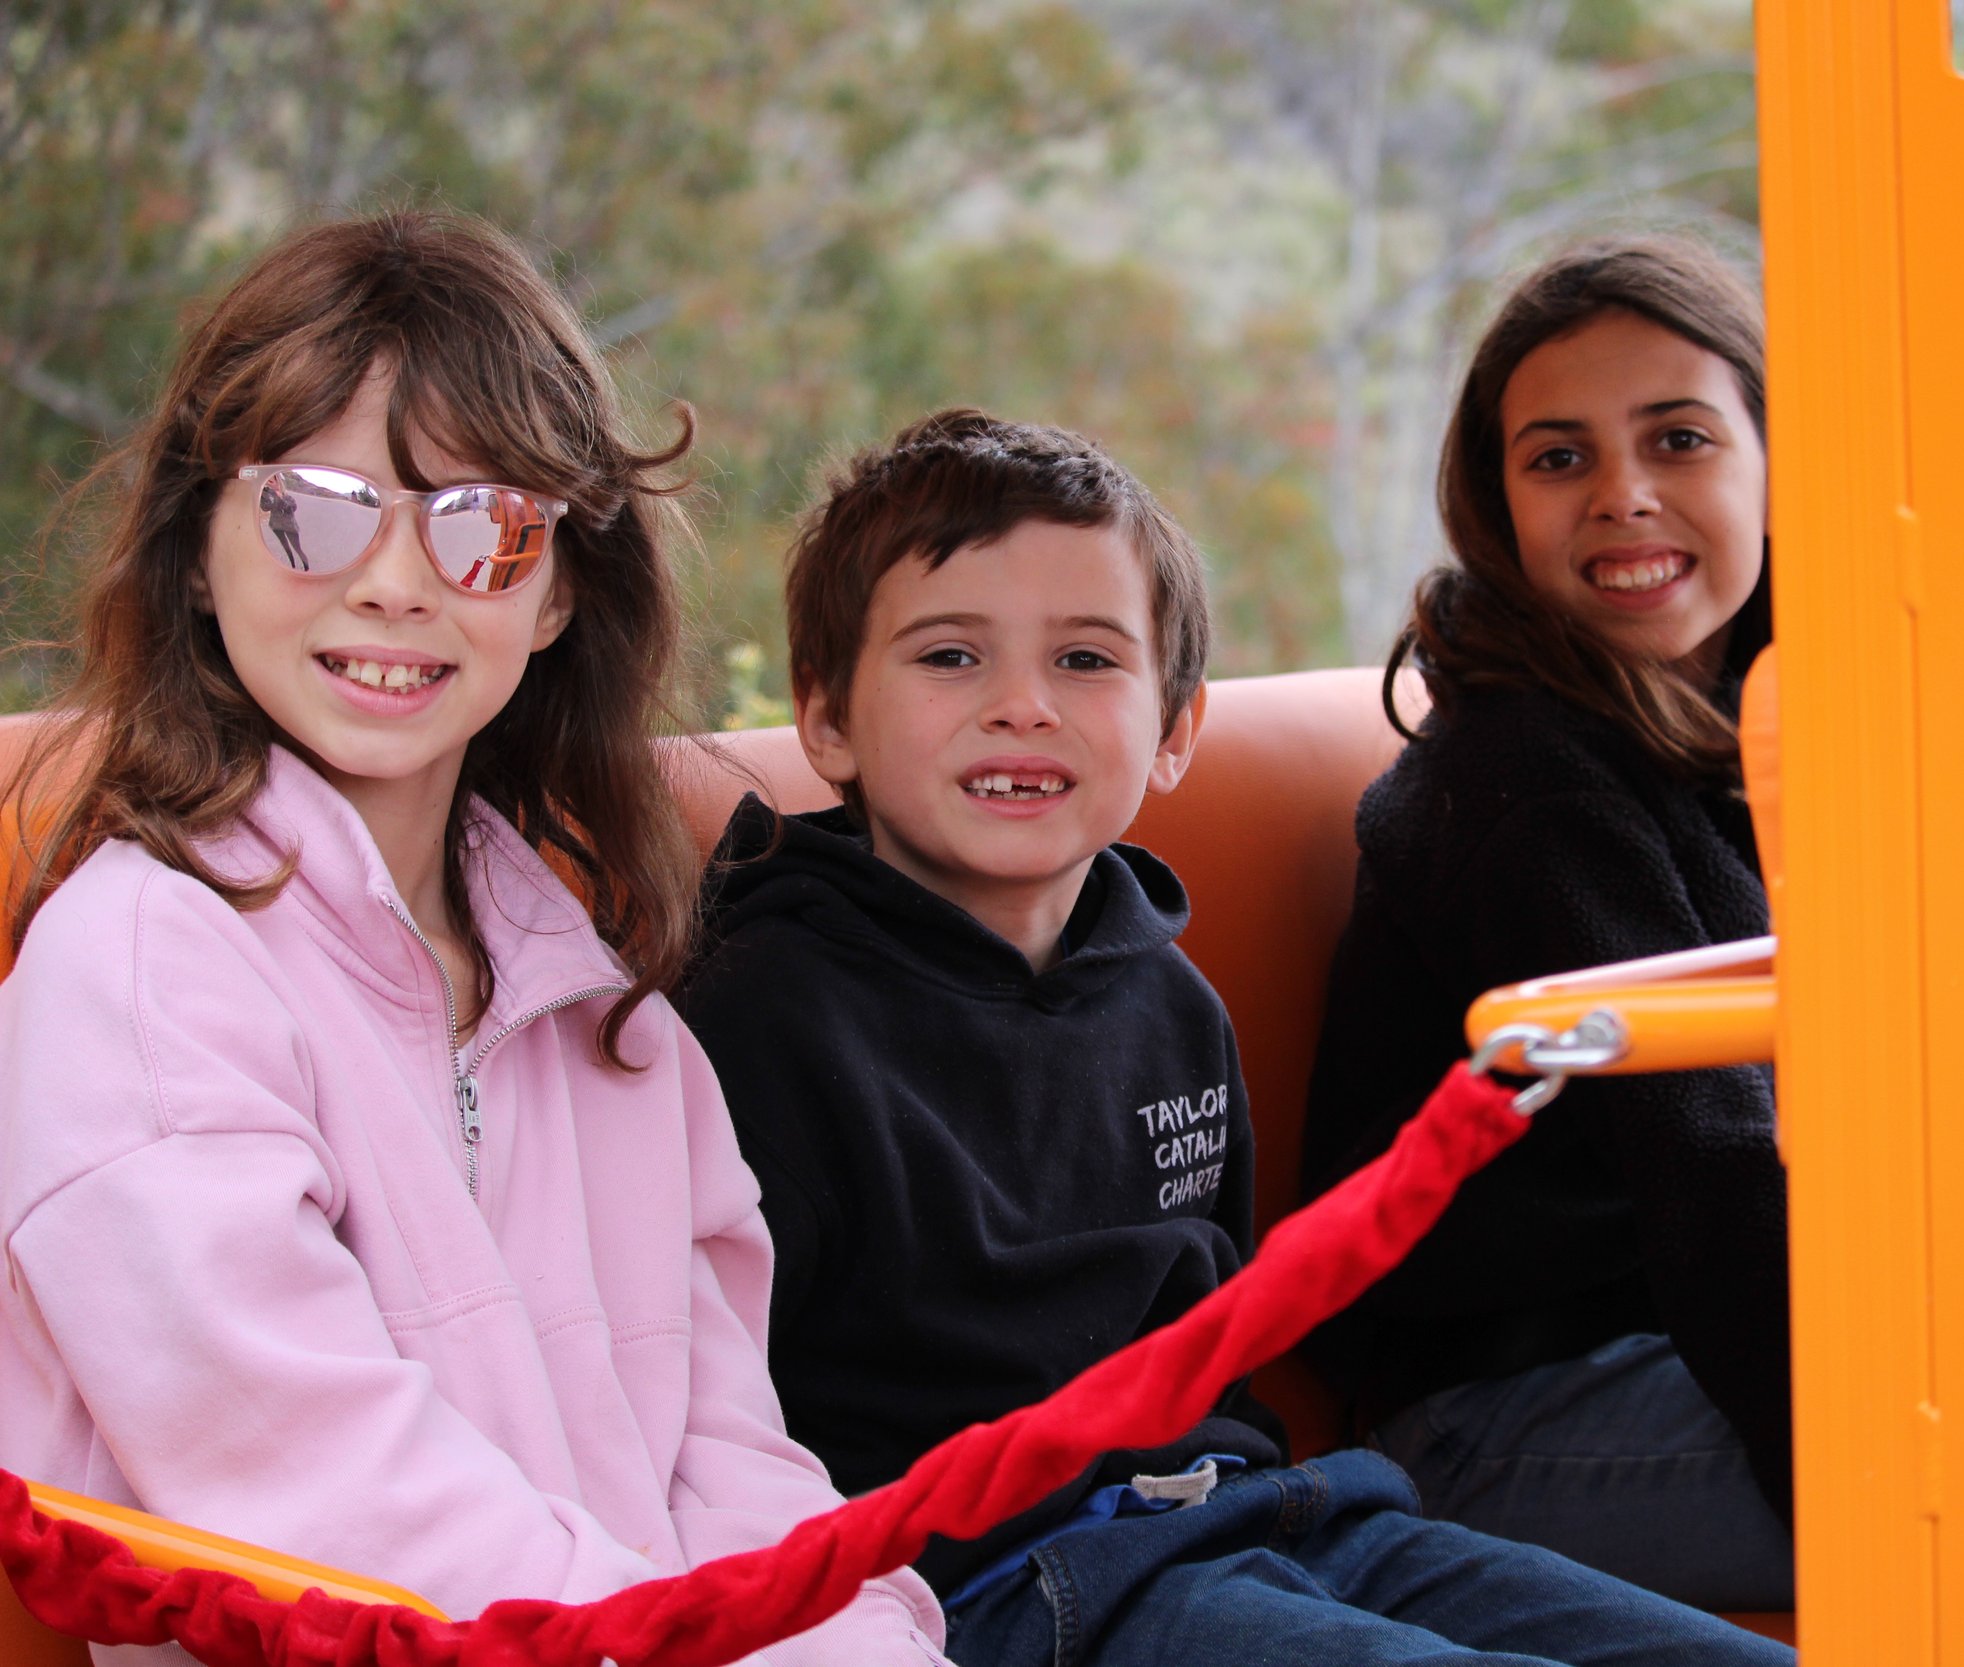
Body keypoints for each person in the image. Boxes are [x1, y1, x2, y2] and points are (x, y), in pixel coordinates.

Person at [676, 408, 1794, 1667]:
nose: (1023, 707)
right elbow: (713, 1426)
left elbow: (1223, 1317)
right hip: (1014, 1584)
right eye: (949, 656)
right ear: (825, 719)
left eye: (1088, 660)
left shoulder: (1169, 999)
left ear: (1174, 730)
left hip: (1271, 1511)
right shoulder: (758, 1018)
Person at [0, 212, 949, 1666]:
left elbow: (730, 1461)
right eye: (312, 508)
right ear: (200, 551)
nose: (394, 581)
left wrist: (866, 1640)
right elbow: (329, 1503)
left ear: (560, 585)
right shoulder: (135, 974)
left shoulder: (609, 1013)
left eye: (483, 525)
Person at [1299, 235, 1794, 1612]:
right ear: (1497, 502)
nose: (1623, 497)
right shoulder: (1522, 781)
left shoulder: (1785, 717)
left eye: (1680, 438)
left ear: (1773, 456)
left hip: (1701, 1343)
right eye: (1559, 457)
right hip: (1497, 1415)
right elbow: (1712, 1167)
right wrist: (1891, 1480)